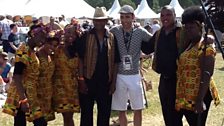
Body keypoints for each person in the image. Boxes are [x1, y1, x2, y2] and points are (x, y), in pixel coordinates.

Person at [175, 6, 220, 126]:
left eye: (192, 27)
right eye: (187, 27)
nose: (189, 30)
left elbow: (207, 74)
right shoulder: (189, 44)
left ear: (200, 26)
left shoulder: (205, 47)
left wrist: (199, 100)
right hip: (187, 95)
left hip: (199, 95)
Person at [110, 5, 152, 126]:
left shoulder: (140, 31)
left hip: (134, 75)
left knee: (138, 108)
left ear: (133, 17)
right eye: (122, 17)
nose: (124, 20)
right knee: (121, 109)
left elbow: (155, 40)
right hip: (119, 75)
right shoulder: (115, 31)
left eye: (127, 17)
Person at [77, 6, 119, 126]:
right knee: (86, 114)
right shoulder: (85, 36)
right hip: (88, 80)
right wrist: (81, 80)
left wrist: (113, 83)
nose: (99, 22)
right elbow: (80, 58)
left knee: (104, 114)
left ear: (106, 21)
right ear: (93, 21)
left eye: (101, 20)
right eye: (96, 20)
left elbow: (116, 61)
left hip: (105, 81)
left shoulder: (111, 37)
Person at [2, 25, 47, 126]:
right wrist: (23, 99)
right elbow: (17, 75)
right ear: (33, 34)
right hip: (22, 91)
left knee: (22, 121)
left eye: (44, 38)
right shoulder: (23, 50)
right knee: (37, 122)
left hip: (30, 90)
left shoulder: (32, 51)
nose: (43, 40)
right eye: (41, 36)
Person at [52, 25, 80, 126]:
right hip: (60, 86)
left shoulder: (78, 50)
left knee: (70, 116)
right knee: (66, 115)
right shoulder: (57, 49)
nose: (70, 35)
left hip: (72, 86)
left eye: (72, 33)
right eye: (67, 33)